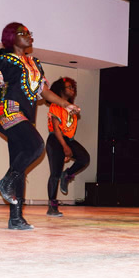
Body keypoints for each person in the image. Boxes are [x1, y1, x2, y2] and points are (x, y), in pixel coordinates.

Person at [0, 22, 80, 230]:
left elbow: (45, 92)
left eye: (29, 33)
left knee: (19, 166)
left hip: (24, 117)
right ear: (11, 37)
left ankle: (16, 218)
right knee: (37, 146)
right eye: (23, 33)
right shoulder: (4, 61)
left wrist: (65, 104)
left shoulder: (35, 64)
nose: (29, 36)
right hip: (7, 111)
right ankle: (6, 181)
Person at [45, 77, 90, 217]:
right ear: (61, 89)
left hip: (68, 139)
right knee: (55, 174)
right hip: (55, 139)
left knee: (84, 158)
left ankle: (67, 175)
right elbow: (56, 128)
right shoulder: (56, 105)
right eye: (69, 87)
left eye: (73, 87)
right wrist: (64, 147)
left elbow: (70, 130)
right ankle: (52, 206)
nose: (72, 89)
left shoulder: (71, 108)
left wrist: (67, 146)